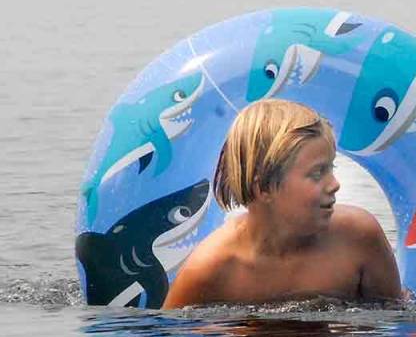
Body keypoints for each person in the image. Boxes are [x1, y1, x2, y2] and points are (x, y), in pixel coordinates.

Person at [163, 99, 401, 308]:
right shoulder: (211, 269)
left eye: (331, 168)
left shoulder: (358, 238)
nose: (335, 184)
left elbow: (396, 325)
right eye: (317, 174)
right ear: (263, 187)